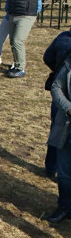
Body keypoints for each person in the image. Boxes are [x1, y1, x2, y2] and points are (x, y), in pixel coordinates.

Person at [42, 29, 71, 178]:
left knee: (57, 128)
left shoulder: (63, 37)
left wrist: (59, 71)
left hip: (60, 93)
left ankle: (51, 167)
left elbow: (47, 57)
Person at [46, 57, 71, 224]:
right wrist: (68, 108)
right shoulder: (70, 63)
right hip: (67, 129)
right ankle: (64, 207)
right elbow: (56, 87)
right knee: (64, 174)